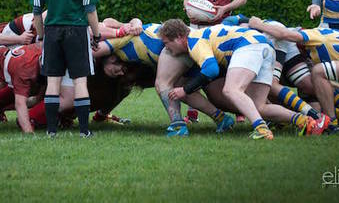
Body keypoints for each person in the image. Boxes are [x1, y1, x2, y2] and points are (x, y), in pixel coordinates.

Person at [159, 19, 323, 140]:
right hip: (265, 47)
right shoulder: (200, 36)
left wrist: (185, 90)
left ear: (180, 37)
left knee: (231, 90)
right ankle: (305, 121)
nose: (167, 49)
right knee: (259, 107)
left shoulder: (194, 41)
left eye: (167, 43)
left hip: (249, 46)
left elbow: (211, 69)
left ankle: (261, 129)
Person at [93, 22, 236, 135]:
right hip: (182, 43)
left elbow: (94, 48)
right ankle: (221, 118)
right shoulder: (126, 36)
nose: (118, 73)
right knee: (182, 90)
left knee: (163, 83)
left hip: (173, 45)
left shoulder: (116, 41)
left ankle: (177, 126)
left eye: (112, 71)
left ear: (111, 59)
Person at [32, 0, 101, 138]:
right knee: (80, 81)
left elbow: (37, 11)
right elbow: (90, 9)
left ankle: (51, 131)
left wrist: (42, 37)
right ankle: (84, 131)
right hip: (77, 31)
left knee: (53, 82)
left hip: (52, 31)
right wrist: (96, 35)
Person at [183, 0, 247, 122]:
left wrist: (225, 9)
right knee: (194, 69)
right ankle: (193, 113)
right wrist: (187, 7)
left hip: (221, 29)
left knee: (227, 69)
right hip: (197, 28)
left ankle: (239, 110)